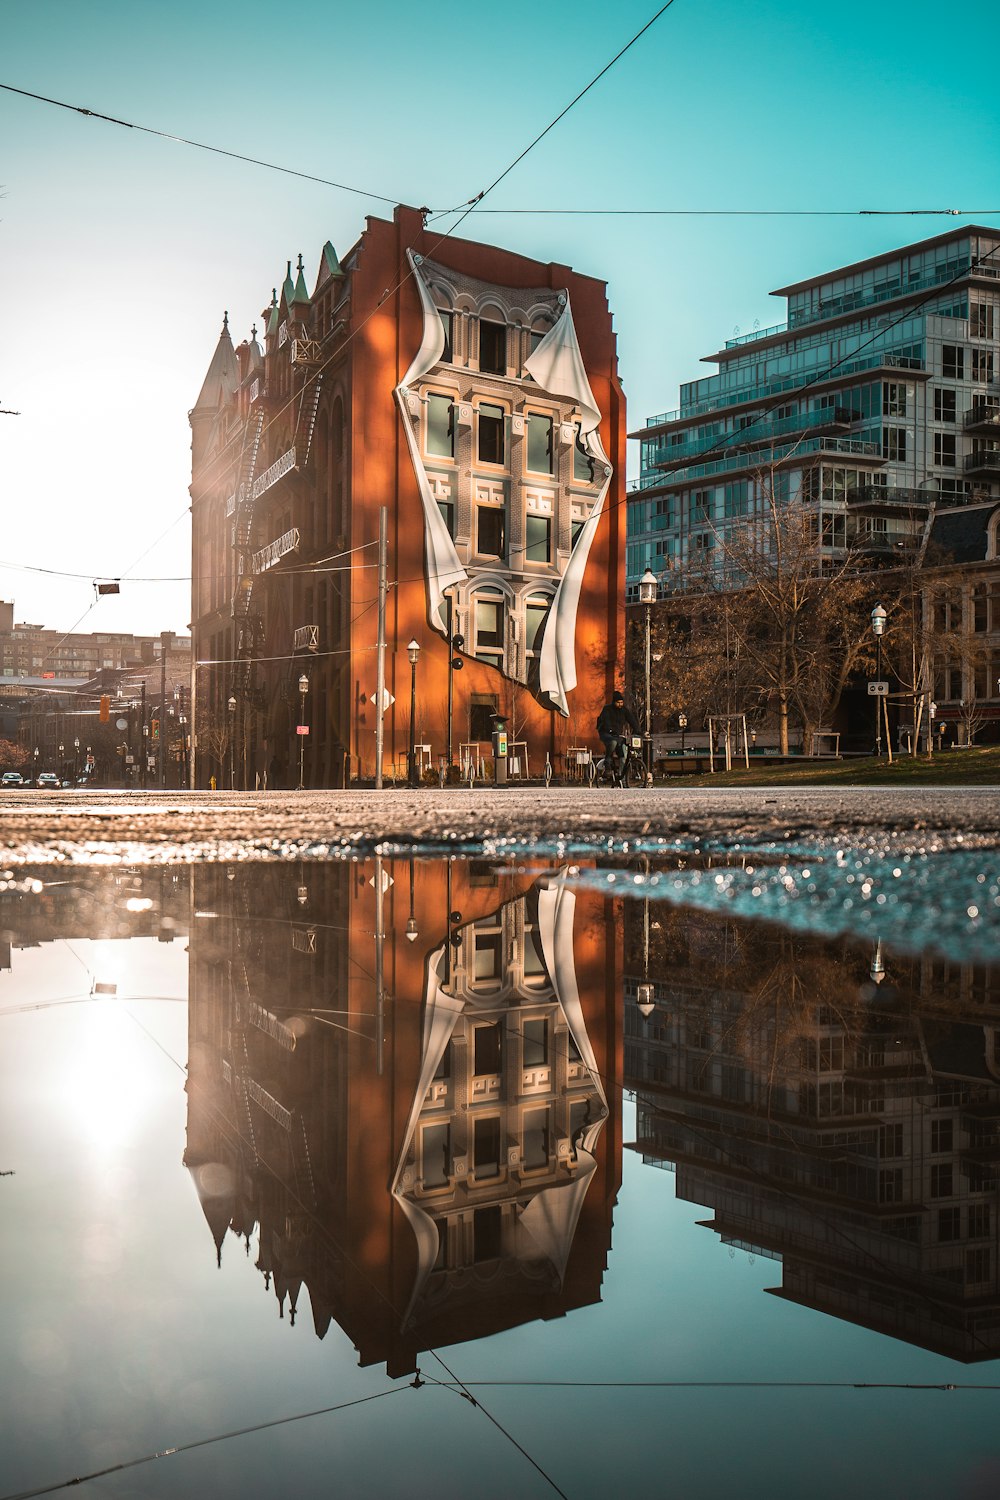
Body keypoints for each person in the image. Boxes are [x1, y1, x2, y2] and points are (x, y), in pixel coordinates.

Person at [596, 691, 639, 778]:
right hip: (605, 733)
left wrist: (638, 731)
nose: (620, 704)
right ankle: (607, 761)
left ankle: (621, 776)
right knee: (613, 742)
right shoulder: (607, 709)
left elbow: (632, 720)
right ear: (614, 702)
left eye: (621, 702)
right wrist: (611, 730)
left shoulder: (624, 710)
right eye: (618, 702)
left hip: (617, 735)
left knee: (623, 753)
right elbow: (605, 722)